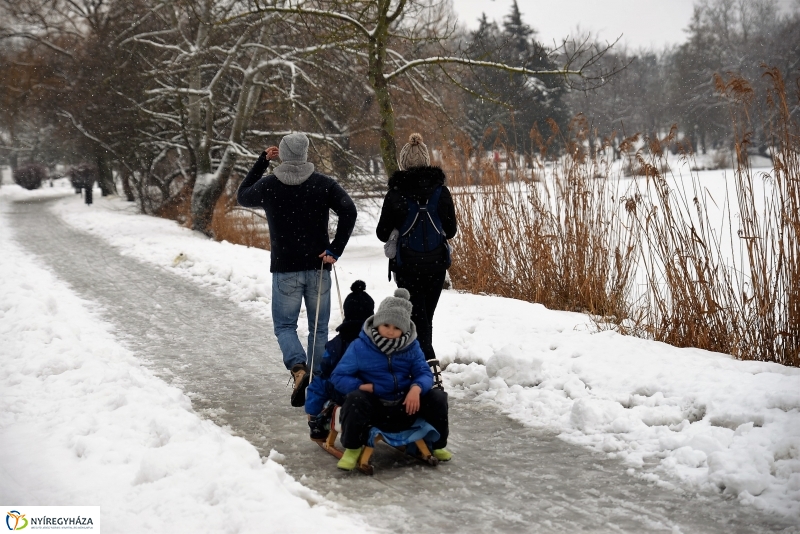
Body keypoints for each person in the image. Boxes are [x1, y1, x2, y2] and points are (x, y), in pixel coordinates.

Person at [237, 133, 357, 407]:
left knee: (284, 326)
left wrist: (261, 163)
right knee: (319, 330)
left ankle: (298, 368)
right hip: (318, 267)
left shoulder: (269, 185)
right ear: (305, 153)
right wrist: (335, 249)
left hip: (285, 269)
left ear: (281, 152)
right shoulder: (323, 184)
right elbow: (349, 210)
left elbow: (242, 196)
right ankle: (316, 384)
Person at [331, 288, 450, 471]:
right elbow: (338, 376)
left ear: (404, 330)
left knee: (438, 397)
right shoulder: (360, 347)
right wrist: (363, 386)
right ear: (377, 322)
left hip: (404, 403)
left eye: (397, 328)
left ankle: (437, 444)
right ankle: (353, 448)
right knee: (355, 399)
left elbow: (424, 373)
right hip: (374, 404)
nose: (390, 331)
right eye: (386, 325)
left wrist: (416, 389)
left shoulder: (411, 347)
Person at [376, 133, 457, 363]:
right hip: (436, 265)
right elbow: (450, 231)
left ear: (403, 163)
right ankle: (423, 364)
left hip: (407, 266)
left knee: (417, 317)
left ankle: (424, 363)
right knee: (425, 317)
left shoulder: (395, 193)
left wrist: (397, 227)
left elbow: (382, 233)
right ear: (426, 160)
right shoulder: (441, 192)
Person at [305, 280, 374, 440]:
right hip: (375, 387)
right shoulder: (377, 338)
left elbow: (326, 366)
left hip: (346, 391)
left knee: (318, 385)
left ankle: (316, 421)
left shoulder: (339, 342)